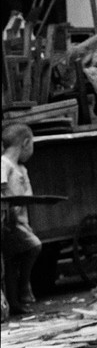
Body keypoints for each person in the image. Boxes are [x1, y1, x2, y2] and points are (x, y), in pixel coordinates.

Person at [1, 123, 41, 318]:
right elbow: (2, 187)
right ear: (26, 143)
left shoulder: (22, 170)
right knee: (34, 246)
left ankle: (15, 301)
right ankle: (24, 286)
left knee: (12, 262)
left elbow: (29, 195)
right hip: (8, 222)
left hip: (22, 221)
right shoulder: (4, 164)